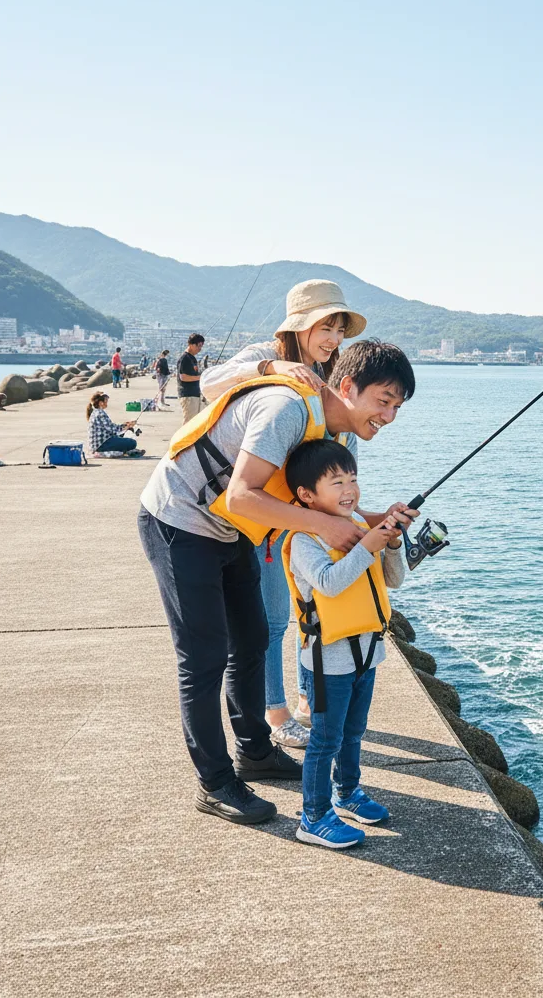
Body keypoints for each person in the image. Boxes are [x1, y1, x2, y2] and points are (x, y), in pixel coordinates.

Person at [137, 338, 417, 825]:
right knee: (202, 657)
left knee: (250, 642)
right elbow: (245, 497)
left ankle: (255, 752)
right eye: (383, 401)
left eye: (397, 406)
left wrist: (377, 518)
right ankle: (216, 782)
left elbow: (311, 503)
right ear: (347, 386)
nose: (389, 417)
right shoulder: (288, 409)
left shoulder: (326, 426)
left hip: (230, 530)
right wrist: (325, 527)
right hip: (179, 521)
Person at [200, 279, 365, 747]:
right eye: (324, 326)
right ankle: (275, 712)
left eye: (338, 328)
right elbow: (208, 383)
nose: (332, 338)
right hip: (268, 519)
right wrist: (274, 365)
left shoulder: (330, 374)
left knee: (311, 610)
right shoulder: (264, 355)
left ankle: (310, 697)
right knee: (273, 619)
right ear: (299, 326)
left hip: (310, 514)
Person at [283, 439, 405, 850]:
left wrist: (390, 542)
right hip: (327, 659)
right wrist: (369, 543)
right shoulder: (304, 539)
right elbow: (330, 583)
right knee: (324, 739)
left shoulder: (357, 525)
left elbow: (393, 580)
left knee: (354, 732)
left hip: (367, 651)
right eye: (336, 481)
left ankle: (347, 792)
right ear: (306, 495)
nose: (349, 489)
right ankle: (313, 816)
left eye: (353, 478)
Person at [86, 391, 142, 455]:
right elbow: (113, 430)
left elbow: (110, 427)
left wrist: (125, 425)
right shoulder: (100, 413)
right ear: (101, 403)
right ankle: (120, 451)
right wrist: (127, 426)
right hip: (100, 445)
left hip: (98, 444)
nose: (107, 403)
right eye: (106, 401)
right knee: (132, 443)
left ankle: (122, 450)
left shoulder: (96, 412)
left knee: (121, 437)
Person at [177, 333, 206, 424]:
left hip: (194, 394)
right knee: (188, 422)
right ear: (191, 345)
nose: (200, 349)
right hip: (188, 395)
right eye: (199, 346)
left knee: (195, 423)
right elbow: (184, 377)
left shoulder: (192, 358)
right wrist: (200, 377)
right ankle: (184, 438)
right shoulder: (185, 358)